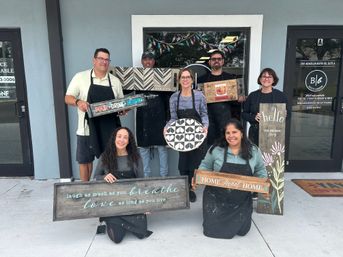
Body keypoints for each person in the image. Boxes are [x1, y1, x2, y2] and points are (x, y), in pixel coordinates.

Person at [197, 118, 267, 239]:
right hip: (216, 199)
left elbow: (260, 170)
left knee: (243, 231)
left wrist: (264, 186)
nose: (231, 136)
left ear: (241, 133)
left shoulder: (253, 151)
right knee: (211, 231)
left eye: (234, 132)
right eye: (227, 133)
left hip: (241, 201)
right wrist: (198, 178)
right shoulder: (215, 149)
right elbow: (205, 166)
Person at [65, 48, 124, 181]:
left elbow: (121, 103)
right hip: (86, 130)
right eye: (101, 59)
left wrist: (123, 109)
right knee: (85, 161)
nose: (104, 62)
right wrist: (78, 101)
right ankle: (86, 190)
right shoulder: (80, 77)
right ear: (94, 60)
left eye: (107, 59)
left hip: (109, 130)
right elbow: (67, 97)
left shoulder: (115, 81)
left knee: (111, 162)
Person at [98, 127, 153, 243]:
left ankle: (122, 223)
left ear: (129, 141)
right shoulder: (105, 156)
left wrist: (145, 203)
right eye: (119, 136)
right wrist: (104, 177)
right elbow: (94, 179)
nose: (121, 140)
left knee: (141, 235)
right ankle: (112, 221)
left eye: (125, 137)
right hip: (112, 202)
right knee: (116, 239)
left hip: (132, 200)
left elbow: (141, 181)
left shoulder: (135, 156)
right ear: (114, 138)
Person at [165, 68, 208, 202]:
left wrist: (205, 127)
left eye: (187, 77)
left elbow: (204, 115)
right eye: (182, 77)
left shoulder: (200, 96)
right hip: (181, 135)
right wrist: (166, 128)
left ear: (191, 80)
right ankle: (185, 187)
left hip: (197, 134)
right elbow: (173, 118)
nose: (185, 80)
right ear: (179, 80)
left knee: (195, 163)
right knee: (183, 163)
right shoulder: (174, 97)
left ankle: (191, 188)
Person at [199, 50, 242, 146]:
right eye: (213, 59)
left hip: (225, 117)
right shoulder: (202, 80)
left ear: (223, 61)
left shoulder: (230, 78)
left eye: (219, 59)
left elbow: (235, 101)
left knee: (225, 144)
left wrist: (238, 98)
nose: (216, 61)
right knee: (209, 146)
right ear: (209, 62)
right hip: (208, 118)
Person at [136, 51, 169, 178]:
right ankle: (146, 178)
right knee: (143, 148)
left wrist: (168, 117)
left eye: (150, 59)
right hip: (143, 118)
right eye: (145, 59)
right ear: (142, 61)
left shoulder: (163, 76)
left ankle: (164, 178)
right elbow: (125, 91)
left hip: (160, 117)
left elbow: (167, 97)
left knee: (162, 148)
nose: (148, 61)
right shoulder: (136, 76)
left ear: (154, 61)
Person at [242, 68, 290, 145]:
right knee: (255, 155)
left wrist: (284, 115)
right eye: (264, 76)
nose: (266, 79)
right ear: (260, 79)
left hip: (274, 133)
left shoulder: (281, 96)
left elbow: (288, 114)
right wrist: (254, 117)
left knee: (271, 156)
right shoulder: (253, 95)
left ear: (274, 80)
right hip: (255, 132)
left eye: (269, 77)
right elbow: (244, 114)